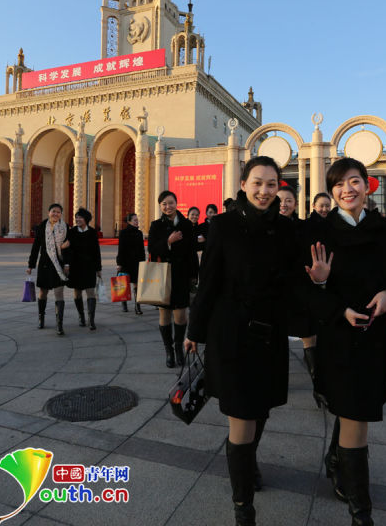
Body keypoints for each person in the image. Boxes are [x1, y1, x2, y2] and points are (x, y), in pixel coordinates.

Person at [185, 157, 319, 526]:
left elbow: (296, 282)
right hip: (231, 335)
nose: (264, 191)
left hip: (270, 334)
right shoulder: (223, 226)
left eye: (271, 184)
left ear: (280, 188)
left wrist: (317, 281)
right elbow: (208, 281)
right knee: (242, 418)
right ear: (243, 184)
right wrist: (194, 331)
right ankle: (243, 506)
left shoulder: (288, 230)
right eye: (257, 183)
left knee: (261, 411)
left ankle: (248, 464)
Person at [302, 157, 386, 526]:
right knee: (356, 420)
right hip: (339, 340)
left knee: (353, 413)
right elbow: (308, 295)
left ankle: (335, 461)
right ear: (331, 192)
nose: (347, 189)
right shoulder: (321, 231)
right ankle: (361, 513)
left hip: (374, 340)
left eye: (354, 181)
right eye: (339, 184)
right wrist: (323, 288)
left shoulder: (383, 227)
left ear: (367, 186)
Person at [278, 185, 320, 402]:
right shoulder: (265, 227)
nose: (284, 204)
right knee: (275, 338)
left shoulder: (305, 227)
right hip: (274, 292)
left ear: (295, 203)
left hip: (301, 288)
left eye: (288, 200)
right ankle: (275, 384)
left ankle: (318, 384)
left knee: (308, 335)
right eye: (280, 200)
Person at [148, 191, 198, 367]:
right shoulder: (155, 225)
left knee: (181, 315)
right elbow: (152, 249)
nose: (167, 207)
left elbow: (192, 251)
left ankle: (178, 348)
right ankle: (168, 351)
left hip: (181, 276)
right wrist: (168, 242)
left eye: (170, 203)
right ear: (160, 206)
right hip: (163, 276)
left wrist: (194, 275)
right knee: (164, 314)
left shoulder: (186, 224)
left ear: (176, 203)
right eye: (164, 204)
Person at [27, 203, 70, 336]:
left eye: (58, 212)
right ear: (48, 212)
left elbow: (68, 247)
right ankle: (41, 317)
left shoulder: (65, 227)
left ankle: (59, 323)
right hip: (45, 263)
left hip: (59, 264)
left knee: (59, 293)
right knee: (43, 293)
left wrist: (67, 264)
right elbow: (36, 247)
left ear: (61, 214)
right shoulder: (42, 227)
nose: (55, 214)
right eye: (53, 211)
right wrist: (31, 265)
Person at [66, 207, 102, 331]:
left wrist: (98, 268)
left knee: (90, 291)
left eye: (80, 217)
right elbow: (68, 250)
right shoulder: (71, 232)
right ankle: (81, 316)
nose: (77, 219)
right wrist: (67, 264)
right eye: (76, 217)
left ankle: (91, 319)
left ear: (86, 219)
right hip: (75, 267)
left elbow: (96, 251)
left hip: (89, 266)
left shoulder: (92, 232)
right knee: (77, 291)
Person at [116, 213, 146, 314]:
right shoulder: (123, 233)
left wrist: (143, 262)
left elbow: (142, 249)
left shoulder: (139, 233)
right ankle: (124, 303)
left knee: (136, 284)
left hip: (137, 262)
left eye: (137, 220)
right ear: (129, 222)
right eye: (135, 220)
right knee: (123, 283)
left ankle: (138, 306)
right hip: (125, 261)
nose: (137, 221)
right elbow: (121, 249)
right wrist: (119, 263)